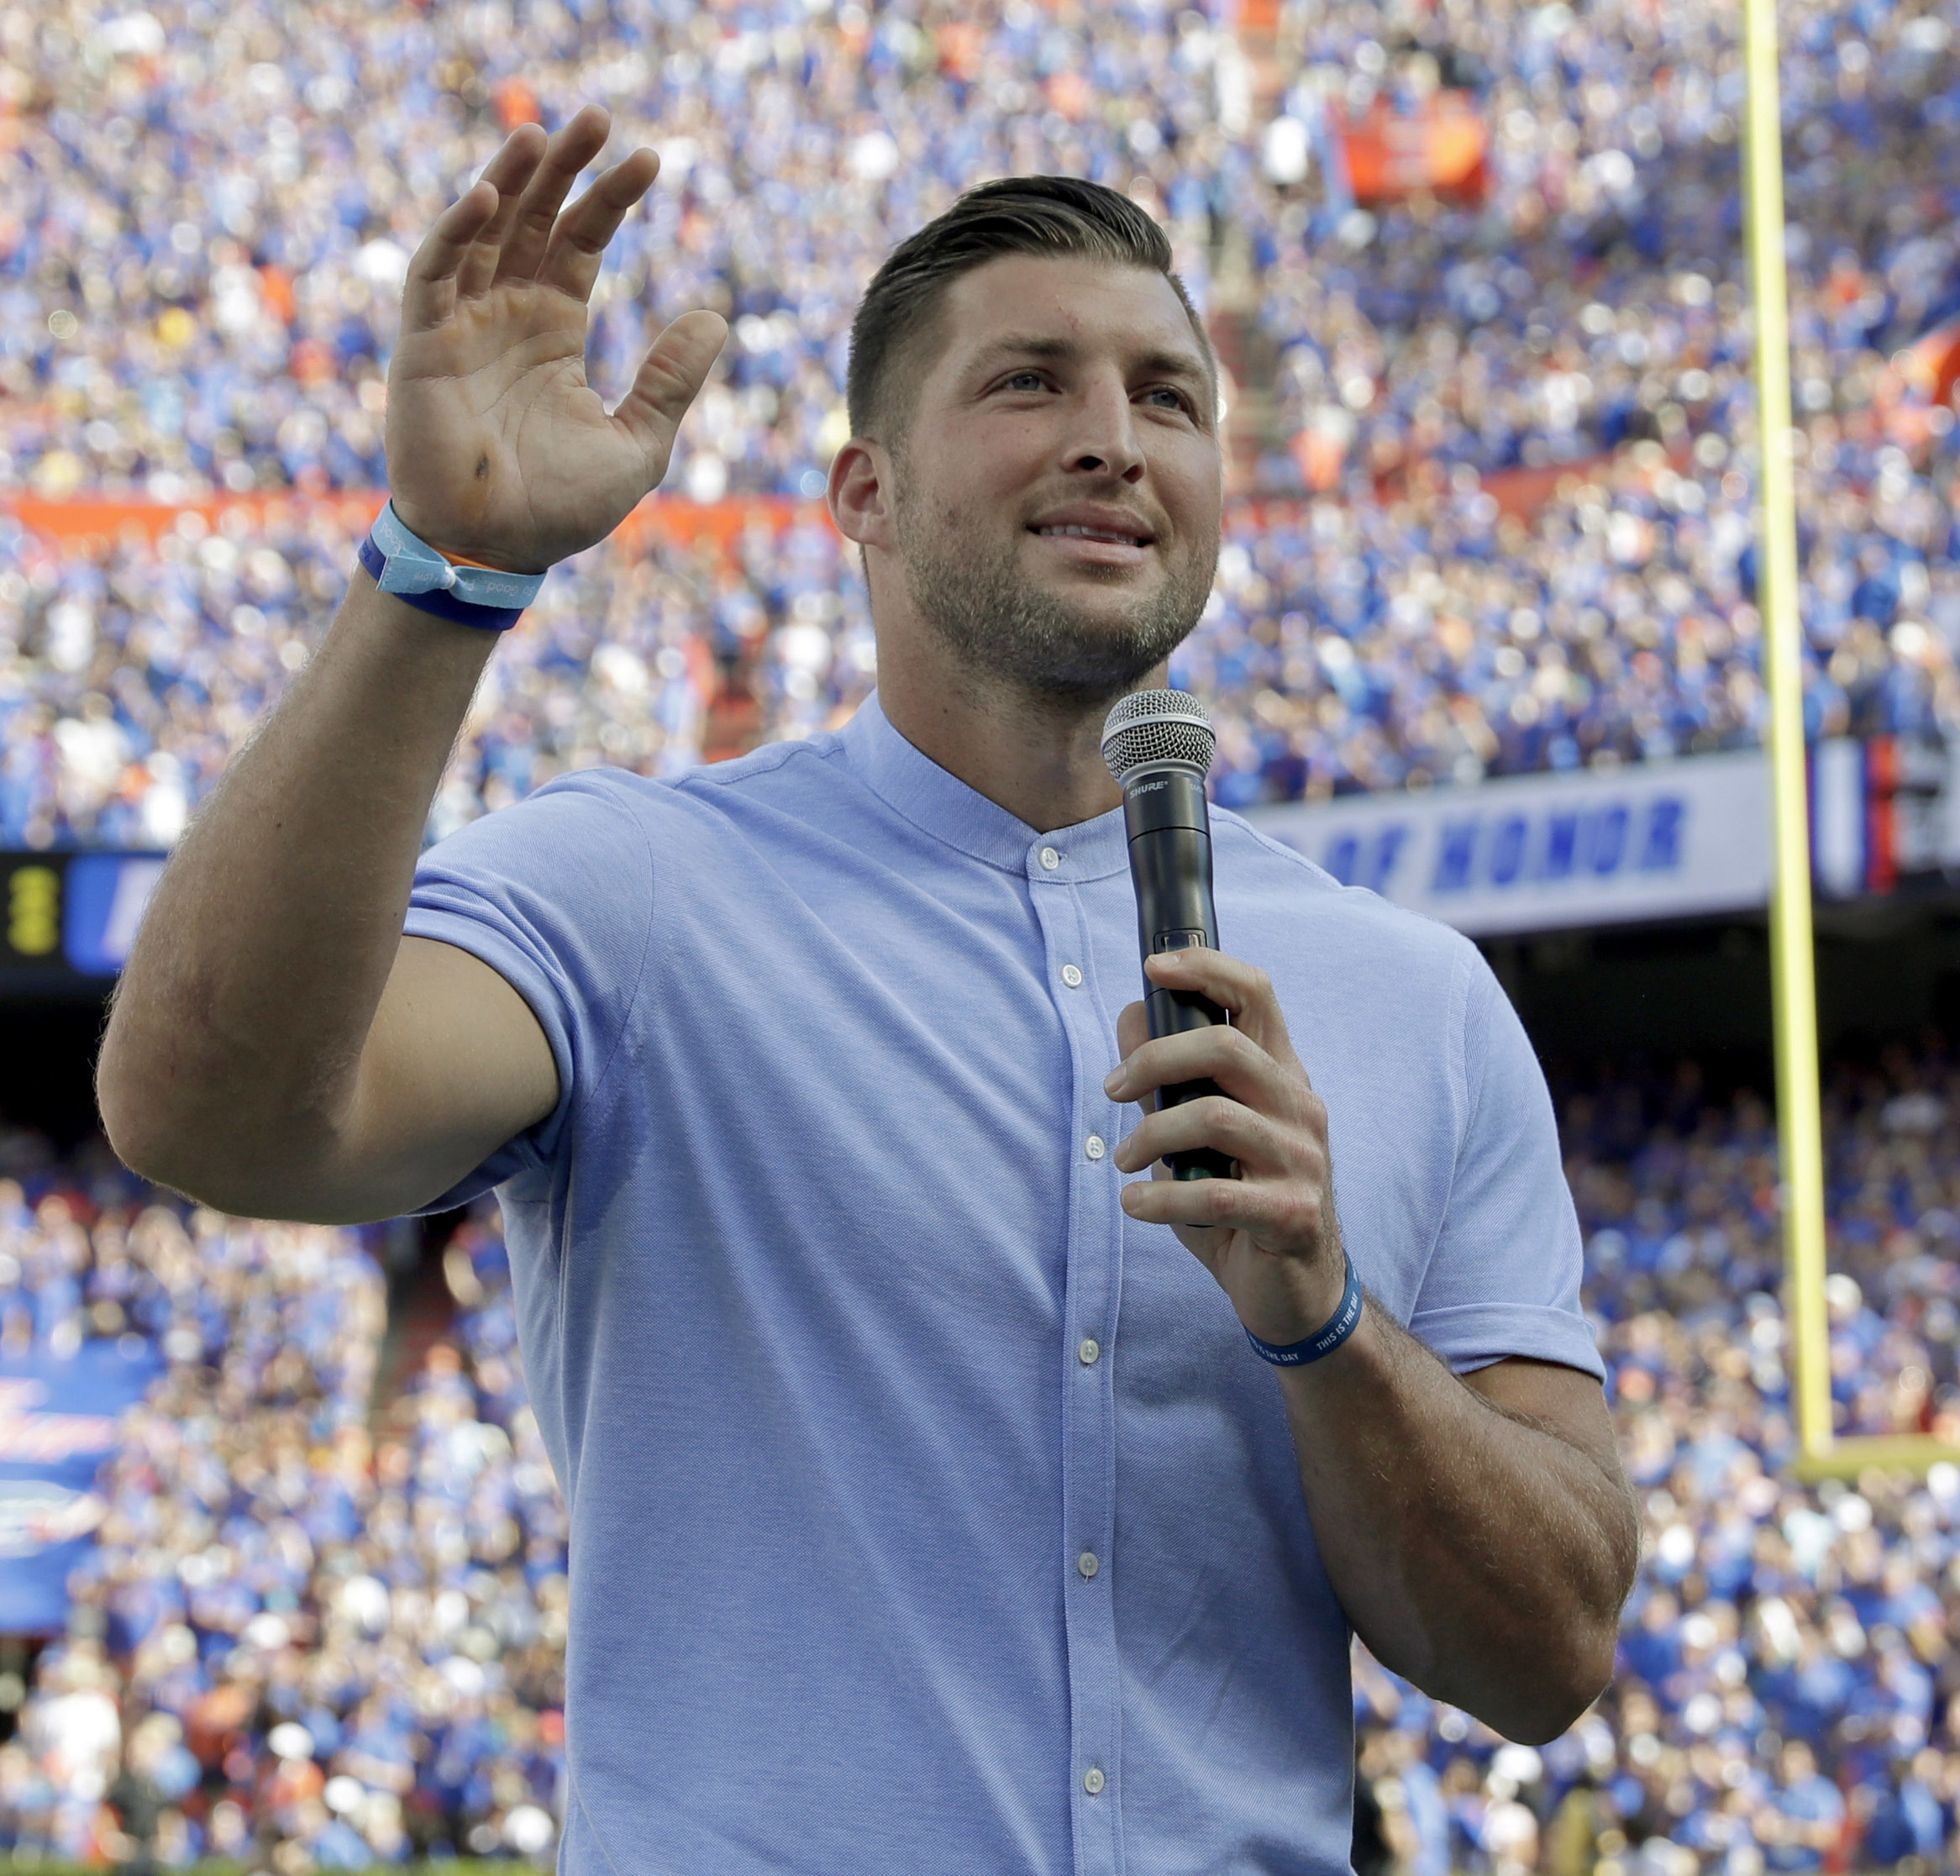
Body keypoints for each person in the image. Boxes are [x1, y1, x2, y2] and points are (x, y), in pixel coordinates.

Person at [96, 106, 1637, 1869]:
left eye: (1168, 398)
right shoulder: (635, 893)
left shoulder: (1416, 998)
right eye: (1029, 383)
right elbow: (205, 1110)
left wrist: (1323, 1319)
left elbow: (1547, 1657)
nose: (1112, 442)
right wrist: (444, 580)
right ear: (864, 495)